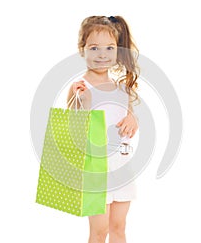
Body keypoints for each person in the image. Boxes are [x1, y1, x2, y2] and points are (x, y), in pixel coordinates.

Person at [67, 16, 140, 243]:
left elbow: (128, 122)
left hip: (121, 165)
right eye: (94, 48)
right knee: (99, 231)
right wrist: (81, 102)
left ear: (118, 51)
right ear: (83, 50)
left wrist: (132, 119)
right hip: (94, 168)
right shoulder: (80, 87)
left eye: (109, 48)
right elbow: (72, 128)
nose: (102, 54)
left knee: (119, 226)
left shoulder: (122, 89)